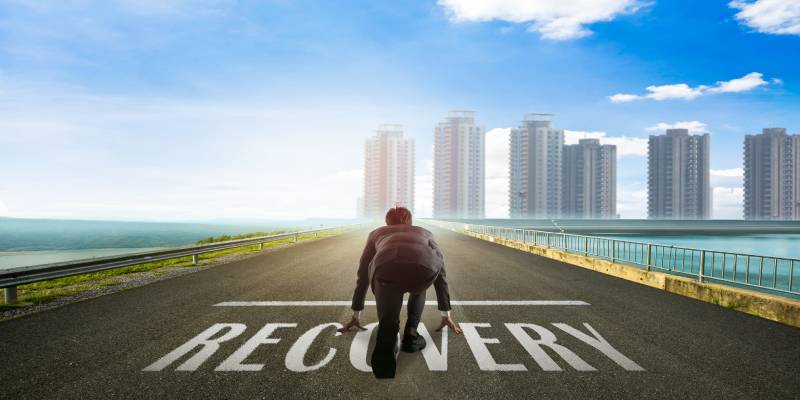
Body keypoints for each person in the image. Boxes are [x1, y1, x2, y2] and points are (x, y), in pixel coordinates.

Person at [337, 206, 462, 379]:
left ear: (386, 222)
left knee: (387, 304)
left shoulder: (376, 233)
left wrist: (356, 314)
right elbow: (441, 272)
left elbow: (363, 274)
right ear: (411, 222)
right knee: (420, 286)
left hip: (386, 268)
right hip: (423, 269)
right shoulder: (425, 232)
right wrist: (445, 313)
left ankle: (387, 335)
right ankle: (411, 335)